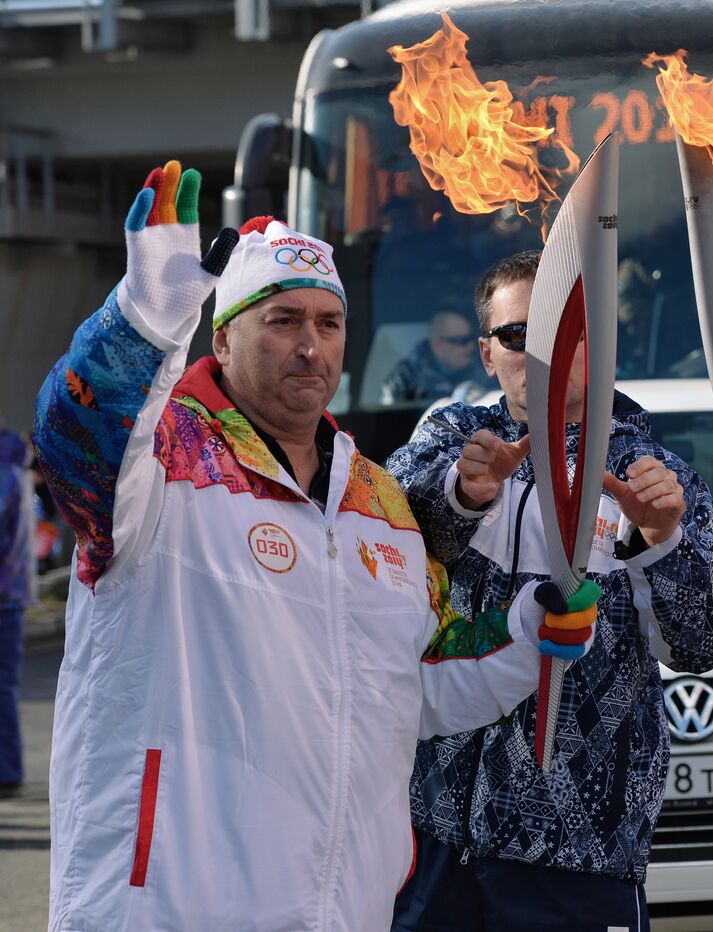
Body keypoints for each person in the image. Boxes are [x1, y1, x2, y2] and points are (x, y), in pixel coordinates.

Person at [32, 164, 581, 931]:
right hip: (167, 905)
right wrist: (144, 319)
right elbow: (72, 439)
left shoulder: (377, 500)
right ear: (223, 336)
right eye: (282, 320)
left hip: (339, 909)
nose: (310, 347)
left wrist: (532, 630)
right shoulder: (164, 455)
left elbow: (418, 673)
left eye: (328, 324)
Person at [388, 250, 713, 932]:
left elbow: (712, 642)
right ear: (489, 355)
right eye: (519, 335)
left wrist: (660, 543)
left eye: (567, 330)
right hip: (425, 836)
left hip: (577, 856)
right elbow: (385, 535)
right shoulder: (450, 439)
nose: (543, 353)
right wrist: (465, 494)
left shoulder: (656, 477)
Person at [0, 424, 36, 799]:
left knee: (3, 688)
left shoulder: (4, 474)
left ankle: (8, 771)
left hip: (4, 598)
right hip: (11, 594)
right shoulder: (15, 469)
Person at [380, 310, 491, 405]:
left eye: (471, 338)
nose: (471, 346)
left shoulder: (485, 367)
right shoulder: (404, 378)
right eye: (461, 341)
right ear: (437, 345)